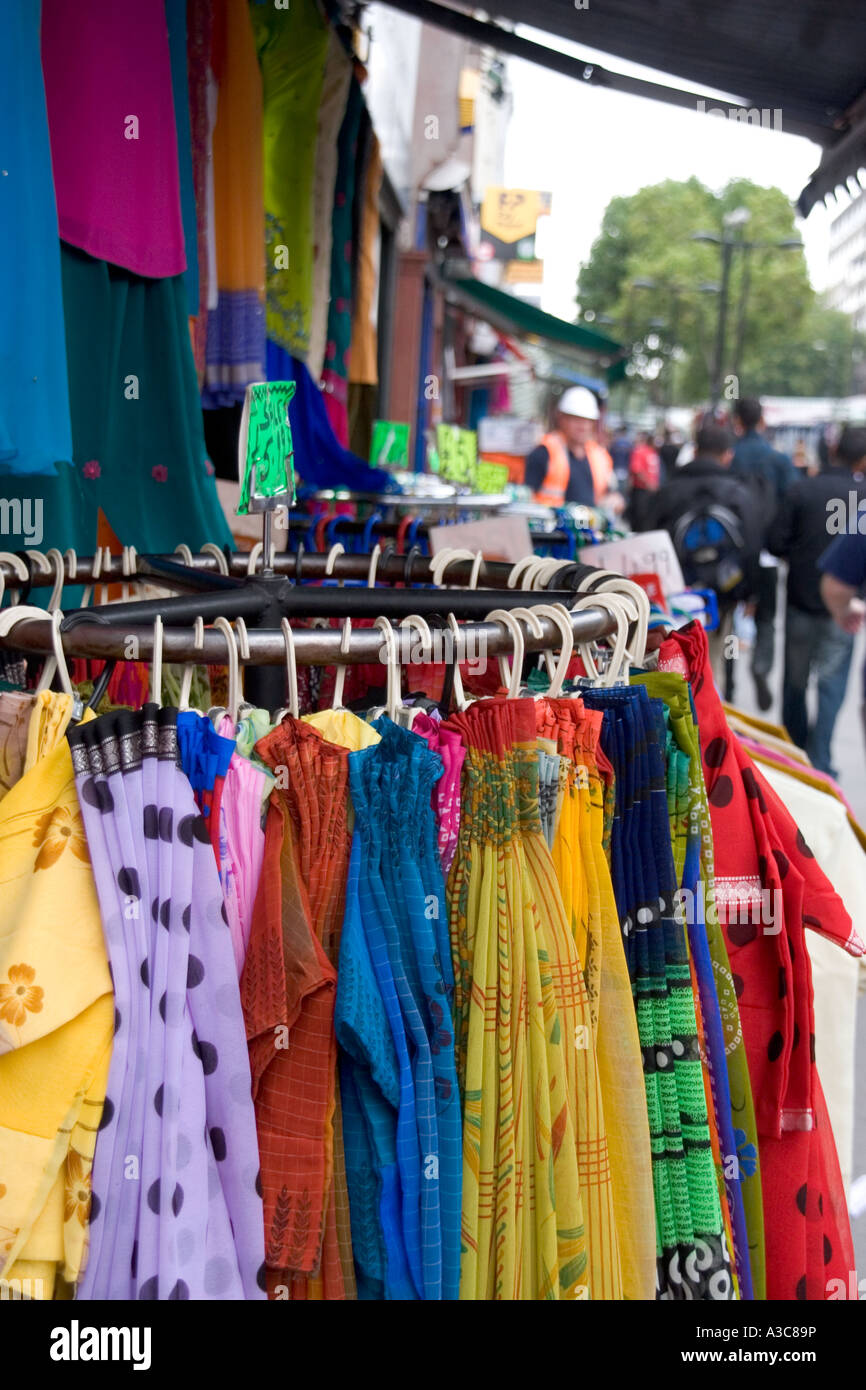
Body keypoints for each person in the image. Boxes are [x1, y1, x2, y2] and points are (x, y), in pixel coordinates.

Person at [633, 422, 764, 693]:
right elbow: (752, 547)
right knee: (714, 661)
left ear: (694, 450)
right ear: (727, 454)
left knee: (674, 665)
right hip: (721, 597)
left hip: (675, 597)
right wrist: (750, 594)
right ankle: (715, 713)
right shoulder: (739, 494)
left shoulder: (668, 492)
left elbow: (645, 542)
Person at [768, 426, 866, 776]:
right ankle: (821, 760)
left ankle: (793, 756)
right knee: (831, 686)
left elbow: (775, 541)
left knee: (795, 681)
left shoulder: (802, 489)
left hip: (800, 602)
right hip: (846, 610)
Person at [731, 397, 797, 710]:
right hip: (767, 554)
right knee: (767, 618)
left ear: (737, 422)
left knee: (728, 616)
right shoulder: (780, 460)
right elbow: (792, 504)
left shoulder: (729, 456)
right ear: (762, 421)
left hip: (730, 555)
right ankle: (761, 665)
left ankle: (727, 687)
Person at [525, 385, 617, 508]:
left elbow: (611, 491)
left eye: (587, 420)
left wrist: (615, 499)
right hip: (552, 526)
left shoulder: (600, 456)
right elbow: (526, 496)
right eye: (576, 419)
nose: (582, 426)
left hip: (589, 525)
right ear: (561, 418)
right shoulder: (544, 452)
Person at [819, 531, 866, 755]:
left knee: (826, 680)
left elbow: (836, 588)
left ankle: (817, 757)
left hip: (801, 605)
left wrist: (845, 612)